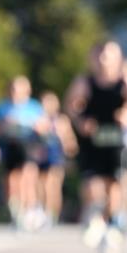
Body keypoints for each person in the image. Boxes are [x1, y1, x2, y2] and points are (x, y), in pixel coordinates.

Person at [65, 40, 127, 253]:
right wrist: (80, 121)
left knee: (114, 184)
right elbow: (71, 106)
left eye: (109, 55)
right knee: (92, 183)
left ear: (118, 58)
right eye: (100, 55)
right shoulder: (85, 81)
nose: (104, 60)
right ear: (93, 58)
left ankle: (112, 227)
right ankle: (94, 217)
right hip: (93, 140)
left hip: (116, 140)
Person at [0, 75, 48, 230]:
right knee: (11, 180)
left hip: (28, 145)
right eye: (13, 89)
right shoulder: (3, 107)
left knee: (28, 176)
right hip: (10, 146)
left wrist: (32, 124)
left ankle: (31, 209)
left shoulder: (34, 106)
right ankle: (16, 210)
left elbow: (45, 126)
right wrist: (4, 124)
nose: (16, 92)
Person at [36, 91, 77, 227]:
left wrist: (62, 138)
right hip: (41, 156)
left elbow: (71, 143)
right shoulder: (38, 119)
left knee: (52, 185)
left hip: (56, 156)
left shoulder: (61, 121)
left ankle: (52, 214)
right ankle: (41, 211)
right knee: (40, 185)